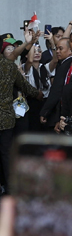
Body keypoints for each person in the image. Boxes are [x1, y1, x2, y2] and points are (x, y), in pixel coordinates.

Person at [0, 48, 42, 192]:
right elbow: (23, 85)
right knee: (6, 154)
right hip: (5, 119)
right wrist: (37, 94)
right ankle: (10, 187)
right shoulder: (9, 66)